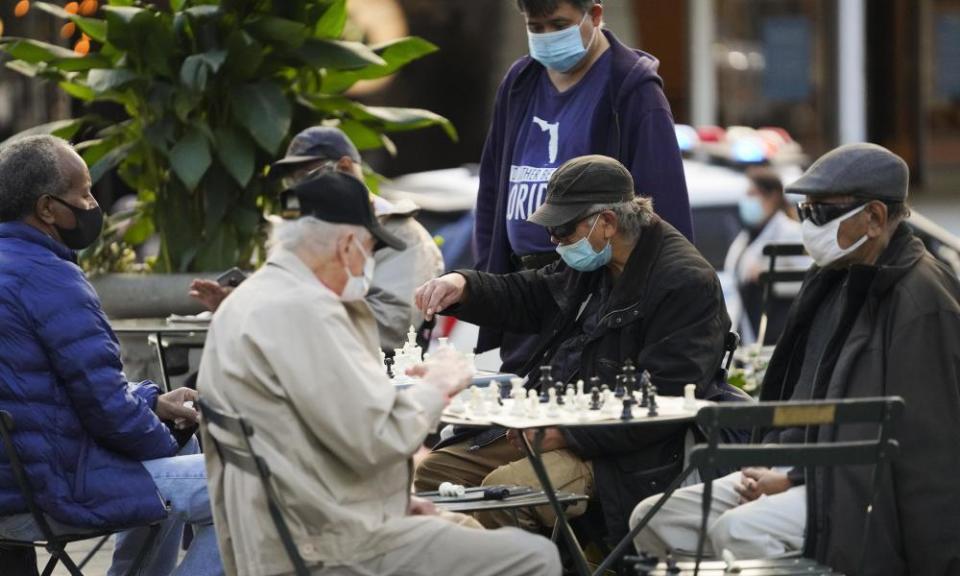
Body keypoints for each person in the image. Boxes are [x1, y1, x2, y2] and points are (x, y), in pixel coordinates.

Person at [197, 170, 561, 576]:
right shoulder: (307, 311)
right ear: (348, 244)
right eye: (371, 249)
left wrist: (390, 504)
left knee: (460, 525)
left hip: (286, 528)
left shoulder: (249, 299)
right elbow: (378, 437)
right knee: (534, 557)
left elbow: (315, 437)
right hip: (322, 546)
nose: (369, 262)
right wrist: (437, 386)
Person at [631, 144, 960, 574]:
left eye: (820, 213)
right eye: (803, 211)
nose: (807, 224)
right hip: (799, 465)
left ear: (875, 217)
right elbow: (802, 399)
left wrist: (794, 478)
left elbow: (923, 452)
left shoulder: (921, 301)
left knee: (737, 532)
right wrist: (768, 456)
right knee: (654, 519)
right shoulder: (831, 277)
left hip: (856, 490)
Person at [414, 155, 728, 542]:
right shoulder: (594, 262)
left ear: (608, 223)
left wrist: (565, 434)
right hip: (555, 420)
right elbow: (531, 293)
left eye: (562, 230)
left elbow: (665, 400)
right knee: (436, 472)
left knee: (506, 492)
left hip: (630, 451)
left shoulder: (685, 282)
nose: (554, 241)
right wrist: (466, 286)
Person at [0, 135, 222, 575]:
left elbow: (54, 398)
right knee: (256, 488)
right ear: (47, 209)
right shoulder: (51, 279)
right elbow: (107, 412)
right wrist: (166, 434)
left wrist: (153, 404)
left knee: (181, 443)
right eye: (83, 193)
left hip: (20, 477)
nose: (93, 204)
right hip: (56, 489)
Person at [474, 0, 693, 373]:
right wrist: (485, 285)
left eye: (559, 24)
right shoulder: (520, 83)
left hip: (597, 307)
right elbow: (492, 192)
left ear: (594, 15)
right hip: (523, 299)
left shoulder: (632, 90)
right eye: (536, 27)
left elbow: (662, 211)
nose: (547, 38)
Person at [190, 126, 443, 352]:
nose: (298, 189)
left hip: (372, 376)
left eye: (306, 176)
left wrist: (277, 317)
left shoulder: (404, 236)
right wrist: (242, 306)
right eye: (291, 181)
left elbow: (391, 330)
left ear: (344, 168)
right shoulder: (309, 232)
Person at [722, 167, 810, 344]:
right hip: (750, 328)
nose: (747, 200)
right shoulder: (747, 235)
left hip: (778, 330)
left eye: (753, 194)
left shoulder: (790, 232)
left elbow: (810, 277)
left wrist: (769, 275)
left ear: (773, 196)